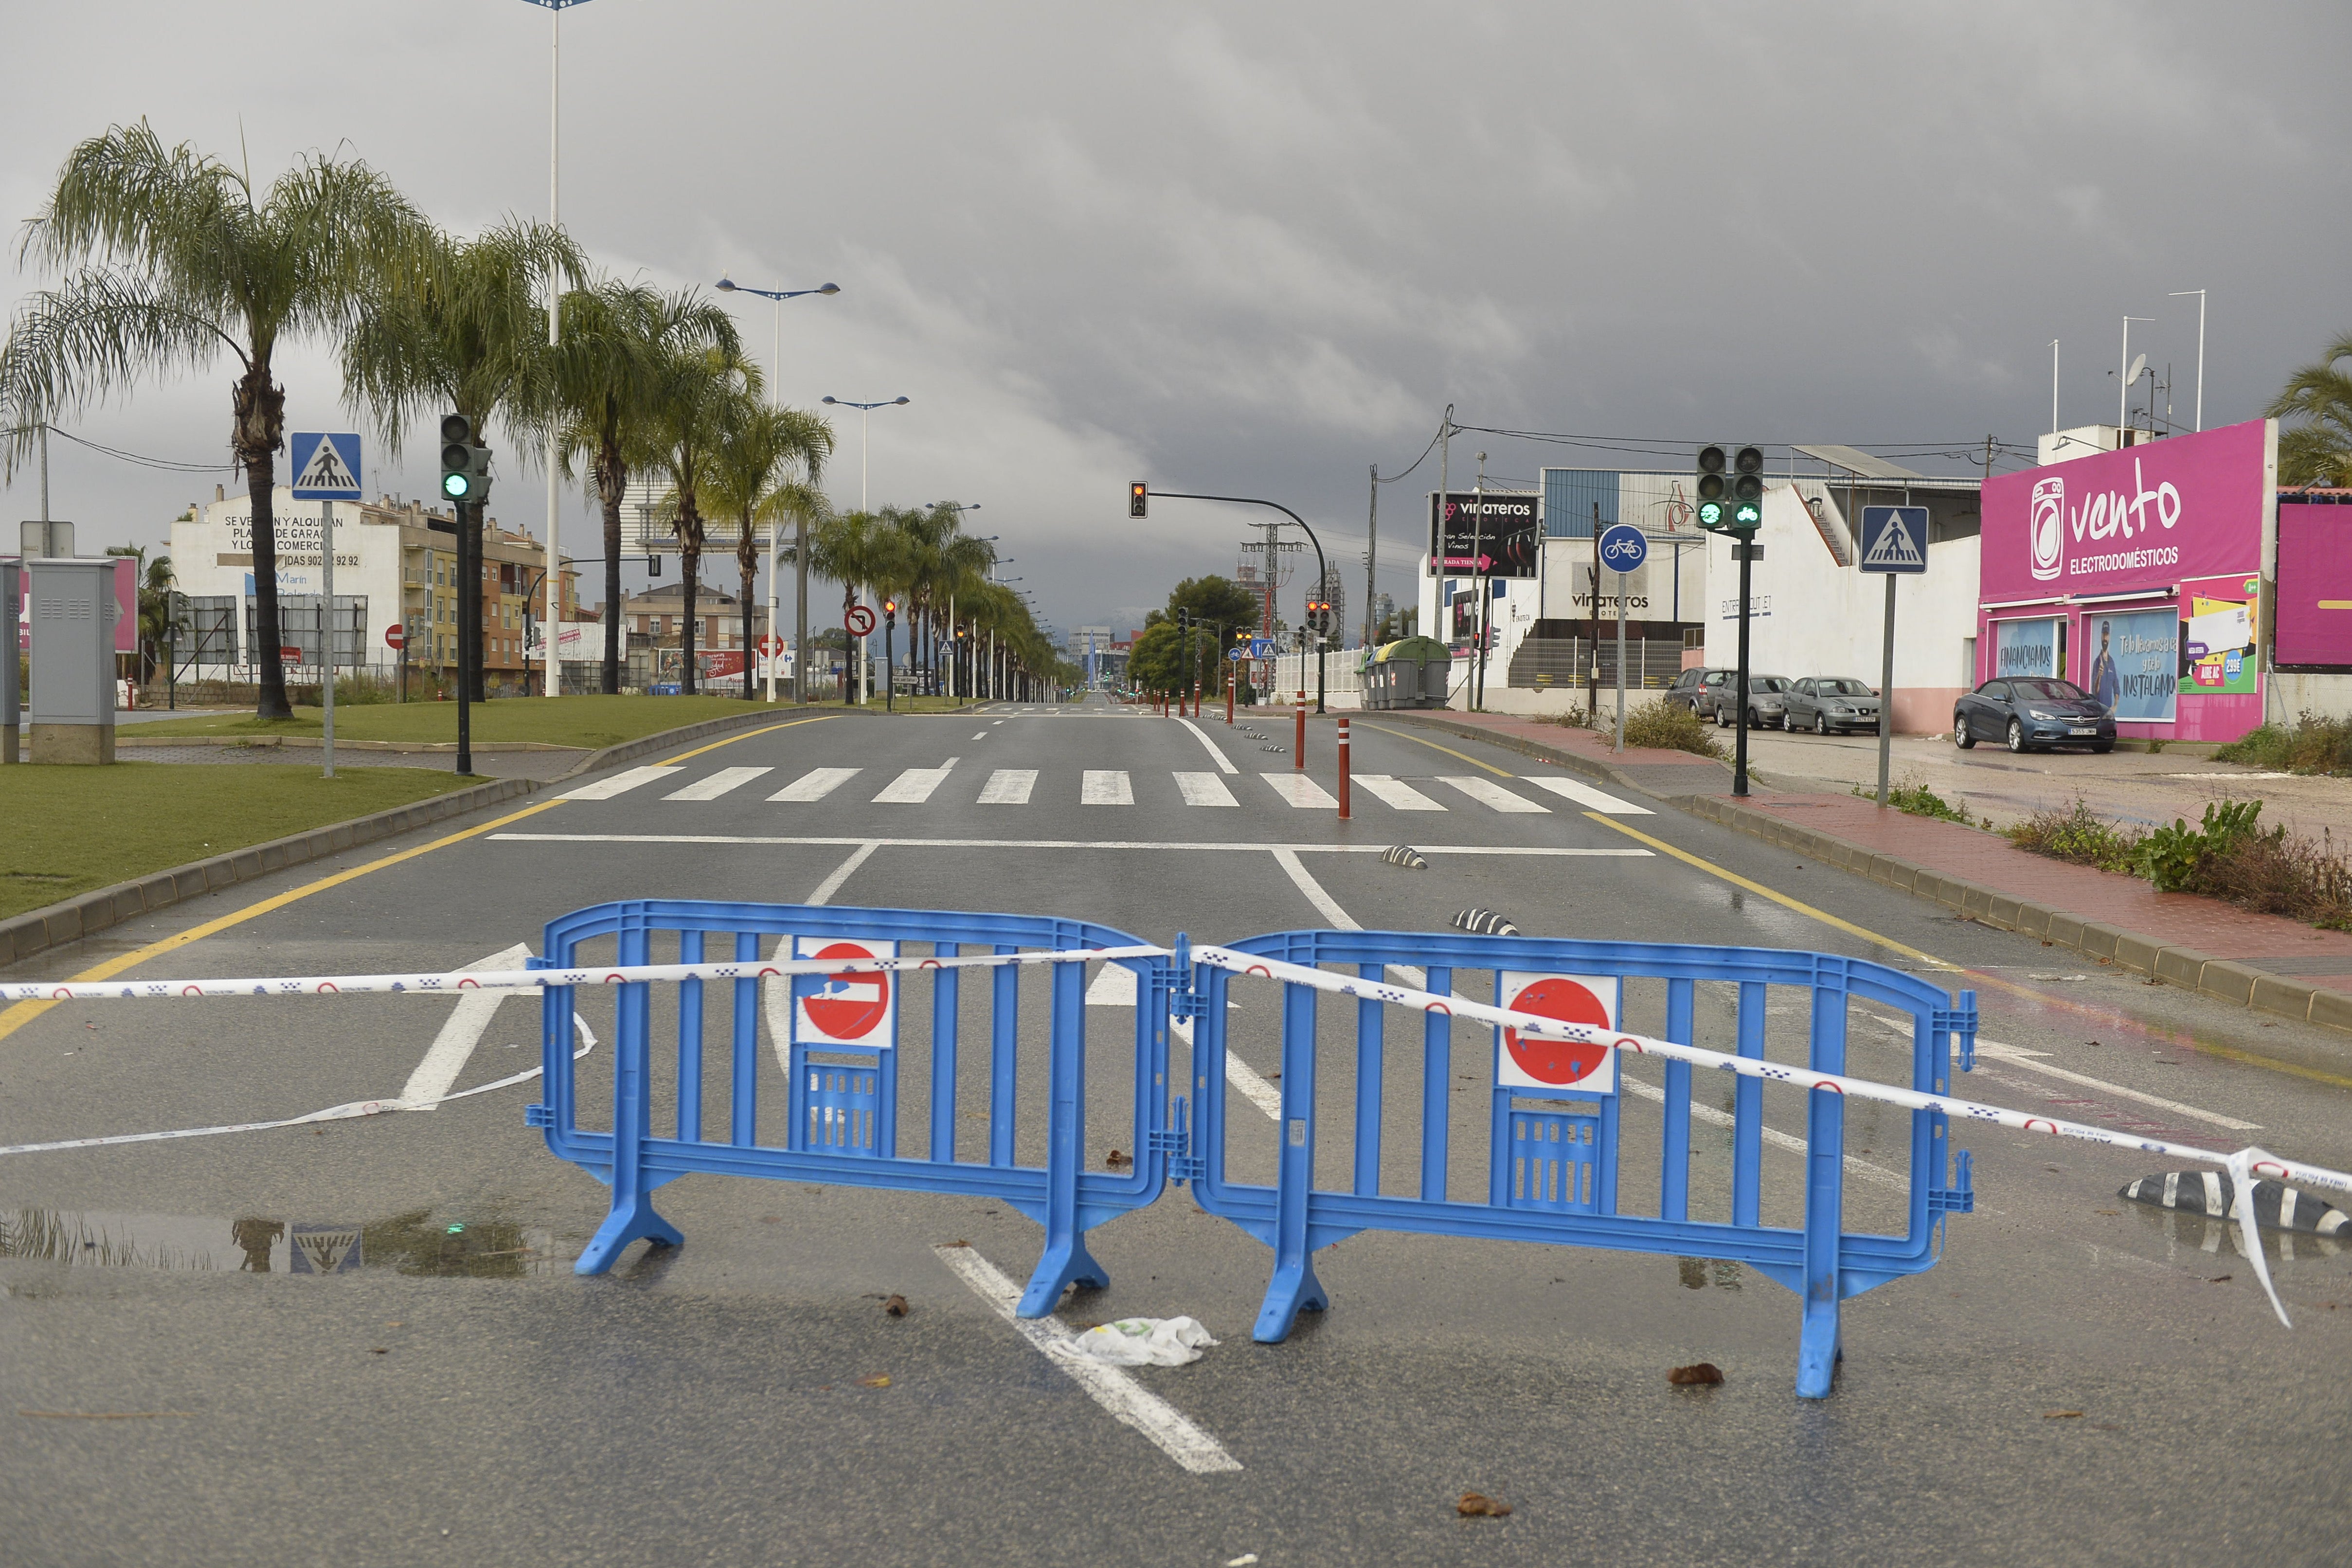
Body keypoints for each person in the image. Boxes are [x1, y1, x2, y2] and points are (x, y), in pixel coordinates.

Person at [2089, 619, 2120, 712]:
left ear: (2109, 637)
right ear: (2101, 636)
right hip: (2099, 709)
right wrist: (2099, 676)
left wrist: (2116, 705)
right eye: (2104, 635)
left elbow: (2116, 684)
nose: (2105, 638)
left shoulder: (2111, 662)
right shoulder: (2097, 662)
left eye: (2107, 635)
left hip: (2109, 710)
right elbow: (2095, 691)